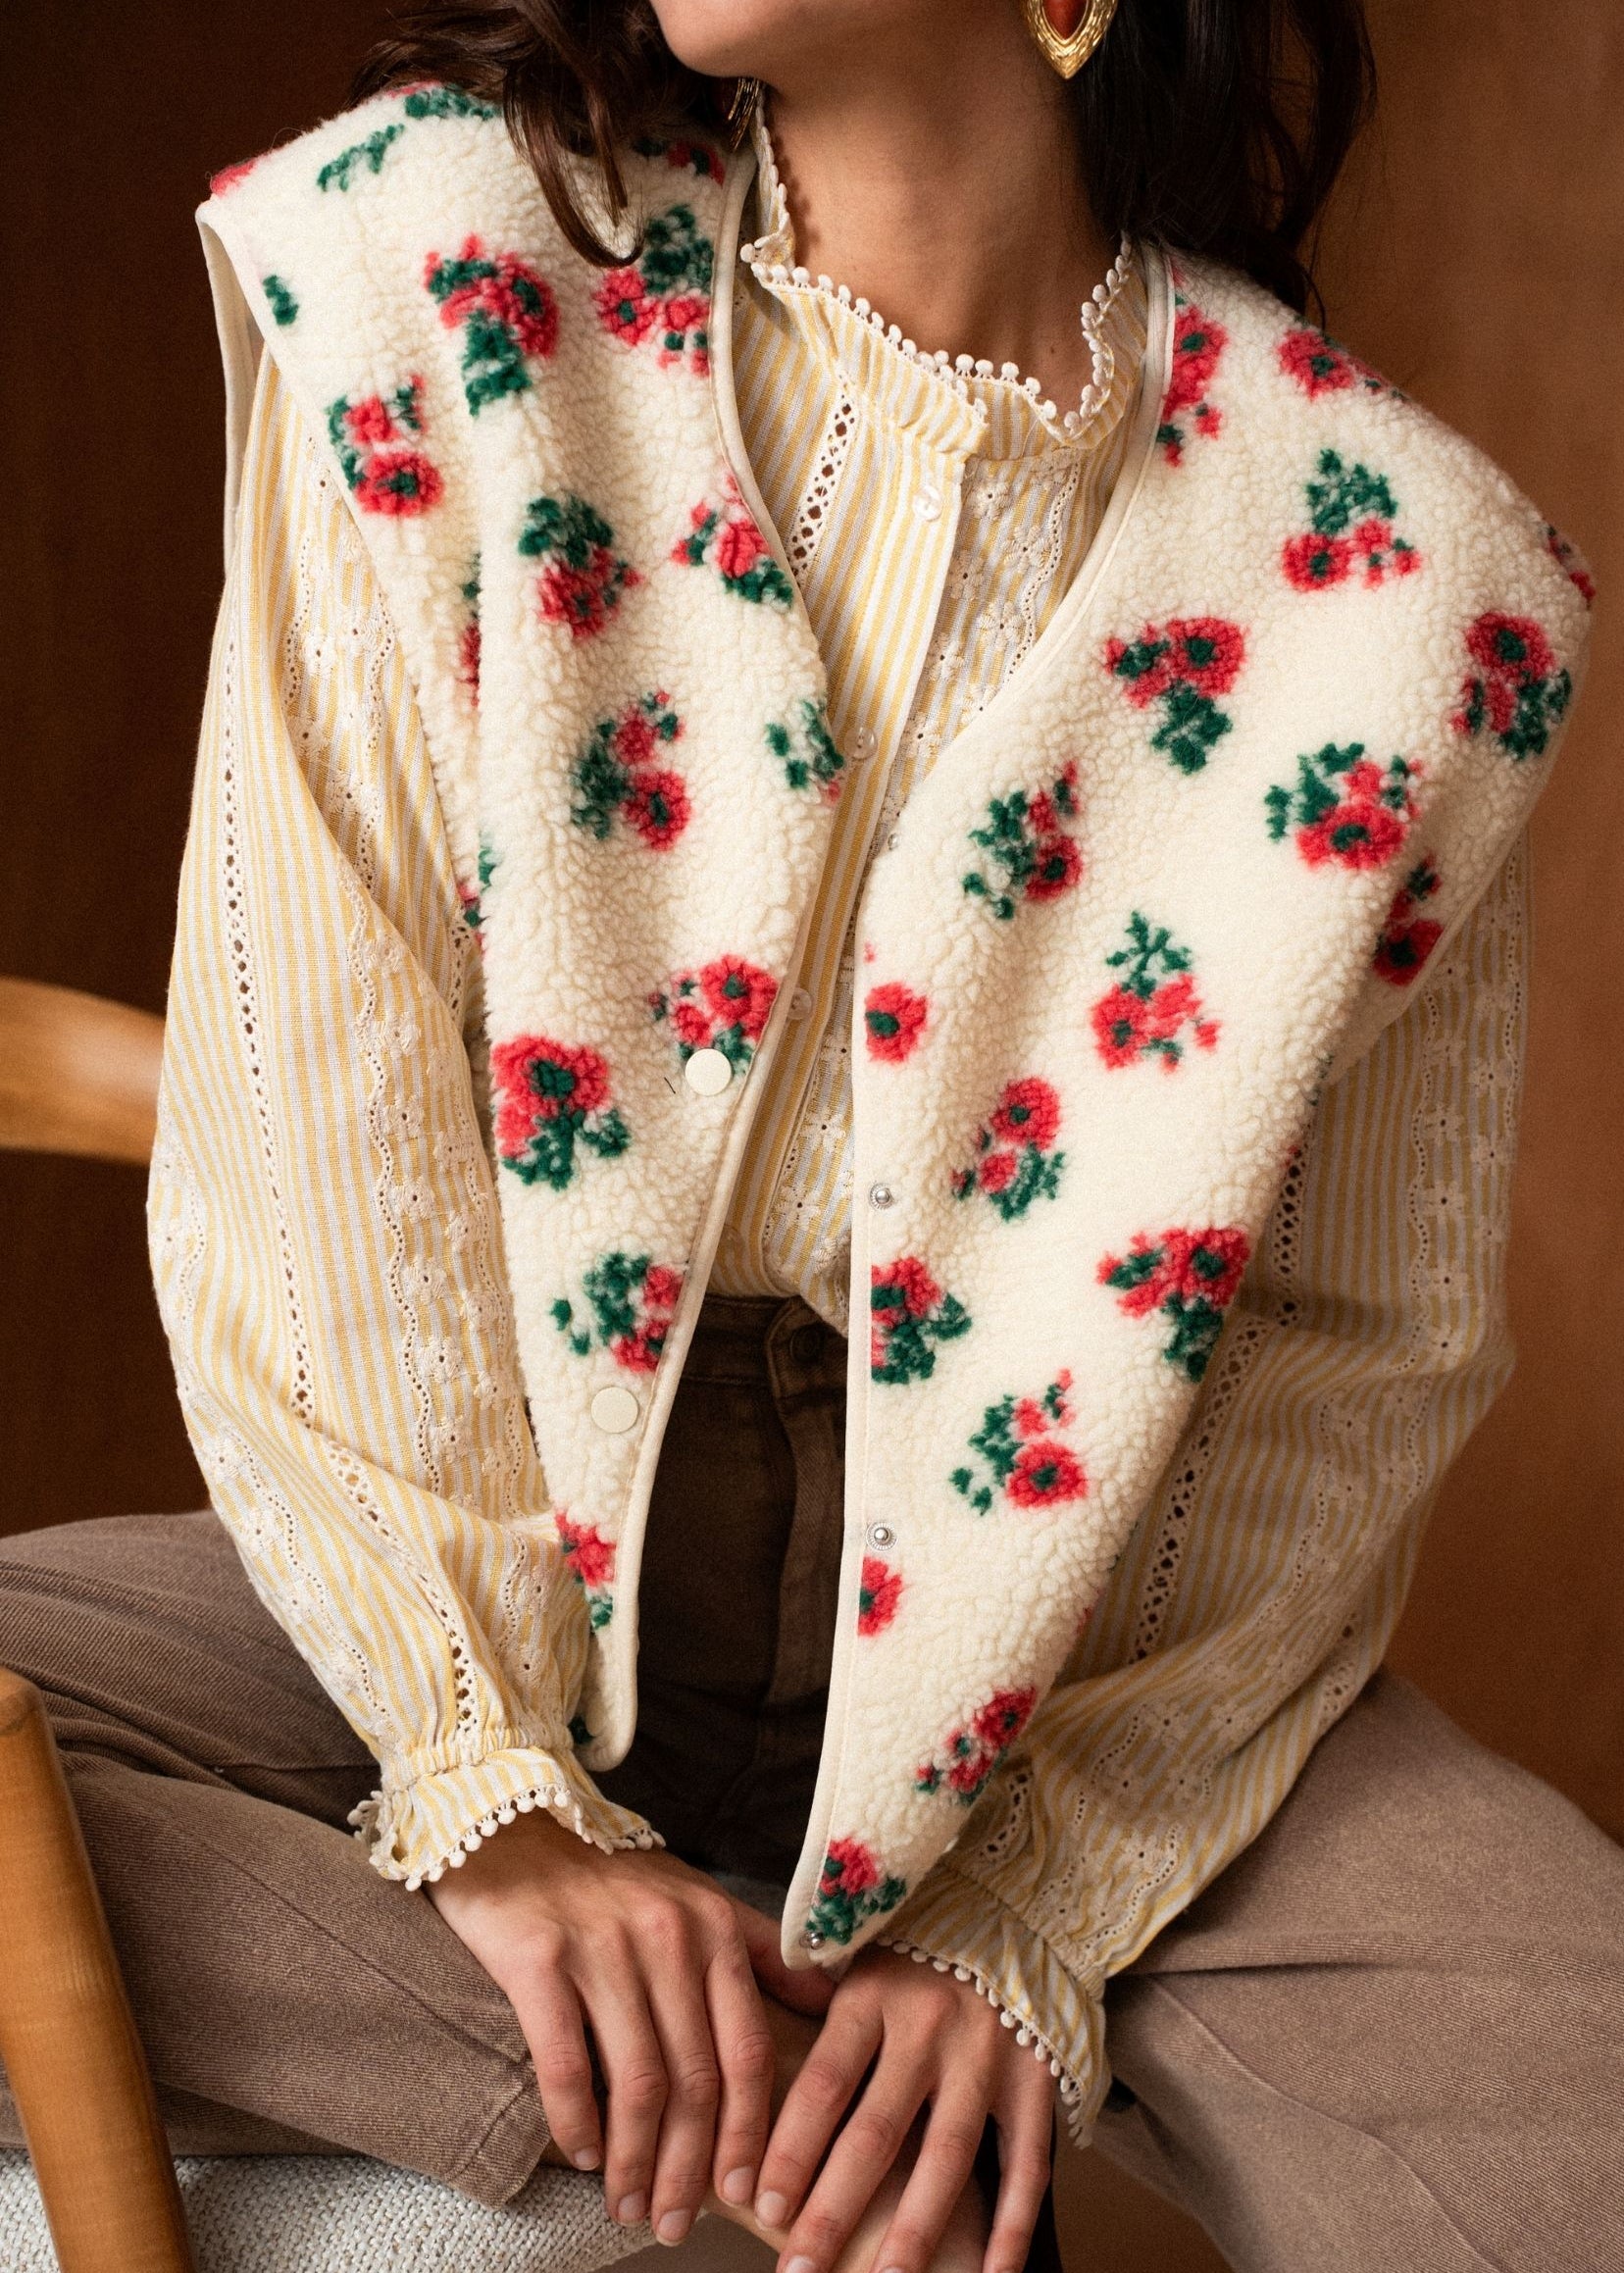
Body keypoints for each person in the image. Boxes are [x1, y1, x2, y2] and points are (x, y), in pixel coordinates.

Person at [3, 2, 1619, 2269]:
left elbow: (1353, 1356)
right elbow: (315, 1100)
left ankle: (735, 2082)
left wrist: (1037, 1906)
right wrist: (491, 1798)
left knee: (1580, 2103)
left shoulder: (1408, 593)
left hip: (1069, 1655)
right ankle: (714, 2103)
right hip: (483, 1530)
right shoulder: (435, 267)